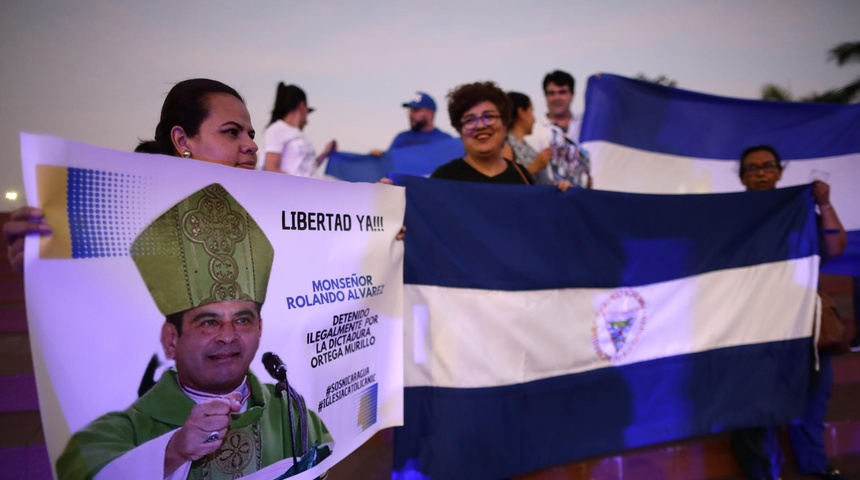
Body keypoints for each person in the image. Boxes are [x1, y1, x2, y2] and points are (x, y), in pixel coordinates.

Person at [56, 184, 333, 480]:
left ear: (260, 329)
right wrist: (173, 452)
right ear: (171, 339)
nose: (228, 336)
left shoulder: (293, 414)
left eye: (242, 320)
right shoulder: (121, 431)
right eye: (209, 322)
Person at [3, 78, 259, 276]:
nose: (251, 145)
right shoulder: (114, 221)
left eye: (251, 134)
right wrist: (45, 270)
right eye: (231, 132)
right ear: (182, 140)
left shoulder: (274, 220)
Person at [730, 145, 846, 480]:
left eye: (768, 166)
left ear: (780, 172)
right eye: (752, 168)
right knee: (753, 403)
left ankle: (815, 465)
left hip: (802, 322)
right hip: (753, 325)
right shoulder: (731, 217)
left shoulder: (800, 212)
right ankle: (763, 472)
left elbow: (835, 248)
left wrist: (823, 203)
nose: (761, 172)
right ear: (741, 177)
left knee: (812, 397)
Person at [430, 81, 569, 191]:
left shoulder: (521, 176)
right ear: (460, 130)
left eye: (488, 116)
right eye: (470, 120)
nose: (480, 126)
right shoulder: (443, 178)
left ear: (505, 124)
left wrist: (562, 194)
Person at [525, 69, 592, 188]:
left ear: (572, 94)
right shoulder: (534, 131)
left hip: (587, 198)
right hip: (551, 199)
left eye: (562, 92)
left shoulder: (587, 124)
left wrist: (603, 84)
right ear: (545, 96)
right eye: (551, 93)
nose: (557, 97)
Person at [264, 83, 335, 178]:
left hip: (309, 190)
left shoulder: (298, 134)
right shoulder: (277, 129)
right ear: (302, 106)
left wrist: (325, 154)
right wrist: (298, 185)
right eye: (307, 110)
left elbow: (309, 169)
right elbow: (271, 168)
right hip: (292, 191)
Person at [371, 92, 452, 156]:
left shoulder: (446, 141)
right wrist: (376, 158)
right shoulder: (401, 138)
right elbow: (388, 166)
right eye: (410, 110)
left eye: (415, 110)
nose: (410, 114)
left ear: (430, 113)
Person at [500, 91, 552, 185]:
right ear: (521, 113)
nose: (534, 119)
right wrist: (534, 167)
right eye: (531, 111)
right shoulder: (506, 145)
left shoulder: (524, 145)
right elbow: (506, 183)